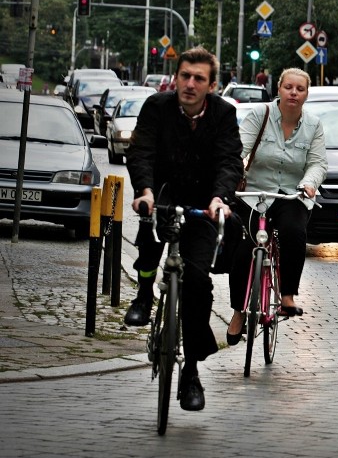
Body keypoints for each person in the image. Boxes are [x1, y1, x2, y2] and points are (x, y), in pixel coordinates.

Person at [123, 46, 243, 412]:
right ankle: (144, 294)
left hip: (203, 208)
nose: (190, 84)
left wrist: (221, 198)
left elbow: (229, 159)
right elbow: (140, 151)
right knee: (148, 240)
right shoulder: (157, 107)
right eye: (185, 76)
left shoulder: (224, 114)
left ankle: (190, 371)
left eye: (199, 79)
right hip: (160, 195)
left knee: (197, 280)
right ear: (176, 77)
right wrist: (143, 191)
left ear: (212, 84)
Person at [227, 68, 327, 345]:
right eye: (289, 87)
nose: (294, 93)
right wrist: (231, 174)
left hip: (291, 196)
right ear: (279, 90)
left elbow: (318, 163)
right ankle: (238, 312)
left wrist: (309, 183)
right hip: (256, 195)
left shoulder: (313, 125)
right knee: (244, 248)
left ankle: (287, 297)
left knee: (294, 232)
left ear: (307, 94)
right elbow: (239, 150)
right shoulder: (260, 116)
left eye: (300, 89)